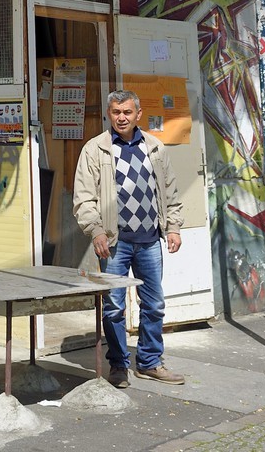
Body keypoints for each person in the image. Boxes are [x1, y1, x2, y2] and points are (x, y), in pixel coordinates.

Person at [72, 89, 185, 387]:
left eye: (127, 112)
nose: (121, 118)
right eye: (116, 112)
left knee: (154, 304)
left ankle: (149, 362)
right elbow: (84, 199)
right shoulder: (95, 149)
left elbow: (170, 192)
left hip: (149, 241)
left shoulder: (155, 148)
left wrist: (173, 226)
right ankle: (119, 365)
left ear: (138, 115)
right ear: (109, 115)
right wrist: (95, 230)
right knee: (112, 308)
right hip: (113, 244)